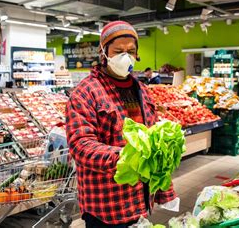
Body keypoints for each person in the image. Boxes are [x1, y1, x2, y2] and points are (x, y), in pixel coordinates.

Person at [66, 21, 179, 227]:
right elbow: (80, 145)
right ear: (104, 52)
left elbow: (152, 142)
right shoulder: (85, 92)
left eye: (131, 51)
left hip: (140, 200)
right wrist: (128, 157)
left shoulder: (142, 90)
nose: (125, 56)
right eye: (118, 51)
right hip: (107, 205)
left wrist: (164, 187)